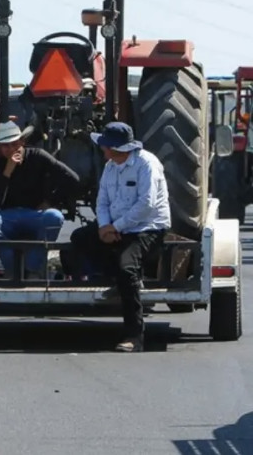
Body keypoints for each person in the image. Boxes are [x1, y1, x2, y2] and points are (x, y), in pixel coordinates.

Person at [70, 122, 170, 353]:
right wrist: (104, 226)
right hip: (115, 227)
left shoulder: (147, 164)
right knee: (79, 239)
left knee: (128, 269)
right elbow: (102, 200)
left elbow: (146, 205)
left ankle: (134, 336)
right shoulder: (110, 167)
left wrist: (117, 227)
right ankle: (114, 277)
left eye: (106, 146)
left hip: (145, 228)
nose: (103, 150)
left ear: (118, 148)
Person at [0, 121, 80, 279]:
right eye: (5, 146)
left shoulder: (38, 156)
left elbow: (72, 179)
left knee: (54, 217)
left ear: (22, 142)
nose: (10, 149)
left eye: (14, 144)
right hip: (7, 217)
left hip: (34, 214)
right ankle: (13, 267)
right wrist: (7, 171)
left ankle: (32, 267)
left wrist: (50, 201)